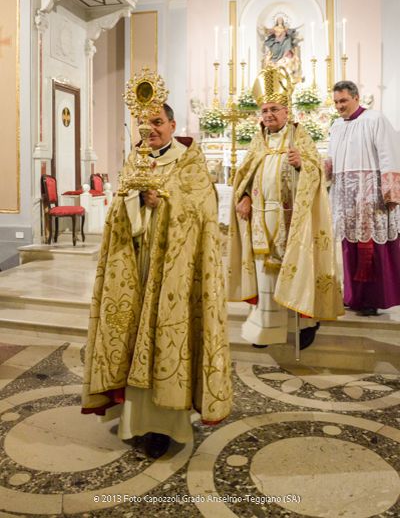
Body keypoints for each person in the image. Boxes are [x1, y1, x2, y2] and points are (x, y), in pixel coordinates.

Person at [82, 103, 232, 458]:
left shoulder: (189, 161)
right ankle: (134, 417)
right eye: (143, 123)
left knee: (167, 340)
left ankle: (164, 426)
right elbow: (120, 210)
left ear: (172, 124)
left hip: (175, 270)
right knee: (133, 336)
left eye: (157, 122)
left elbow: (203, 208)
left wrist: (163, 201)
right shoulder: (135, 158)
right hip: (136, 264)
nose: (150, 129)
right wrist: (135, 199)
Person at [228, 65, 343, 349]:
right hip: (261, 220)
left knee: (295, 269)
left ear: (287, 111)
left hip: (293, 219)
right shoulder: (259, 141)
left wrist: (303, 164)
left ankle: (305, 324)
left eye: (274, 109)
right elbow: (246, 174)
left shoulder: (300, 138)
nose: (268, 115)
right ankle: (266, 328)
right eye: (265, 110)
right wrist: (244, 197)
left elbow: (318, 173)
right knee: (266, 274)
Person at [327, 81, 400, 315]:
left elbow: (389, 153)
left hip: (371, 194)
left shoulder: (374, 119)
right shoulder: (336, 126)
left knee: (372, 247)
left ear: (356, 98)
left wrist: (391, 192)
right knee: (349, 245)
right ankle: (353, 296)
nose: (339, 106)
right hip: (345, 195)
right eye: (336, 102)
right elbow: (330, 160)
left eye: (344, 101)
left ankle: (372, 299)